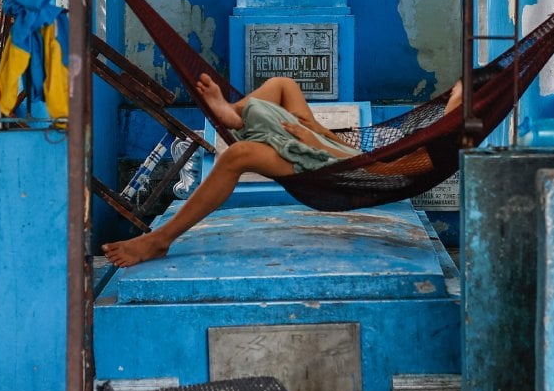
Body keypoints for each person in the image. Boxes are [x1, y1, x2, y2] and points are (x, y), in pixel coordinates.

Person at [101, 73, 465, 268]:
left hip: (338, 169)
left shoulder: (438, 147)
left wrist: (317, 142)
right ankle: (234, 114)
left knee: (239, 155)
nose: (450, 94)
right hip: (335, 148)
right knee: (282, 85)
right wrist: (319, 134)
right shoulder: (437, 134)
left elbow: (388, 174)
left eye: (457, 96)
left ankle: (159, 239)